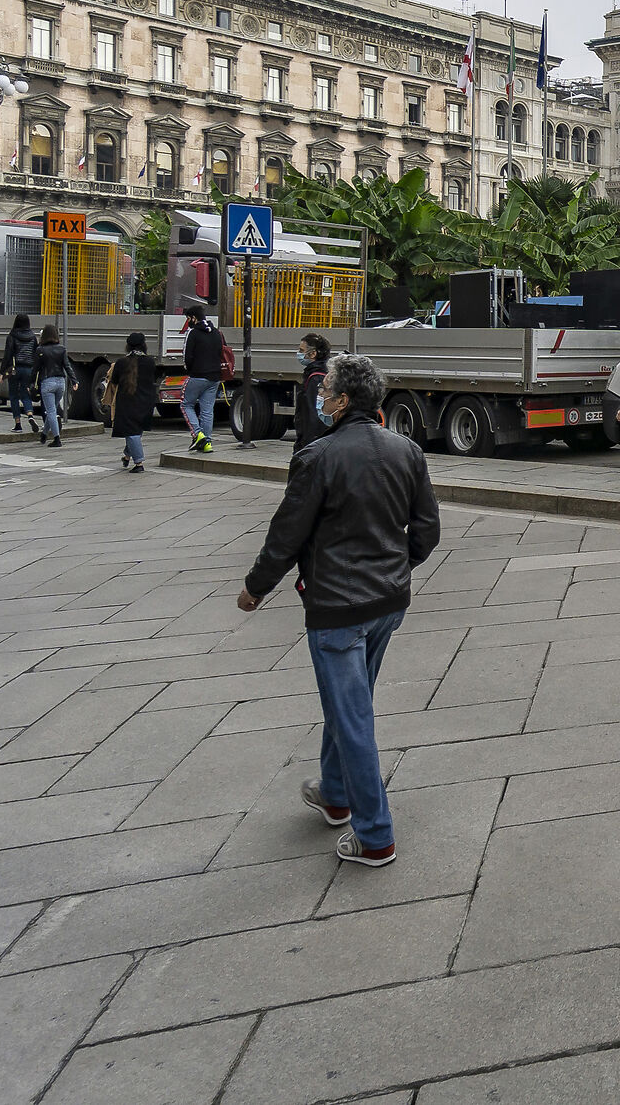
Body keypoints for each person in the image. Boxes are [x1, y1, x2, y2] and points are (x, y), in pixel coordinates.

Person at [237, 353, 441, 869]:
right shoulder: (407, 451)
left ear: (345, 400)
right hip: (388, 603)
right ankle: (335, 794)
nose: (320, 398)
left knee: (353, 718)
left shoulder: (316, 456)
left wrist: (256, 588)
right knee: (348, 701)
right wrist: (399, 565)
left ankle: (375, 836)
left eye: (325, 391)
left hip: (336, 607)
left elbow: (286, 535)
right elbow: (427, 530)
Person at [106, 331, 159, 472]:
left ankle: (139, 463)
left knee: (131, 431)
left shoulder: (122, 362)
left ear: (128, 346)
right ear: (144, 345)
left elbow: (115, 380)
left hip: (128, 400)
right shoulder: (150, 361)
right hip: (146, 400)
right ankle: (127, 456)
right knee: (136, 429)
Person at [180, 302, 224, 453]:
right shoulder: (216, 332)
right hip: (215, 377)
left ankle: (198, 435)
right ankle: (207, 443)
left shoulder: (193, 333)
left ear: (193, 318)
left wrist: (191, 370)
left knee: (186, 404)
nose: (188, 322)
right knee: (207, 410)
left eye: (188, 319)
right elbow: (221, 351)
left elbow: (187, 357)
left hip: (198, 375)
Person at [292, 334, 334, 450]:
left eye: (301, 350)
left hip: (311, 443)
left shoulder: (316, 378)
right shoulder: (320, 372)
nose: (298, 353)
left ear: (313, 353)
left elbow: (314, 415)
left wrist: (308, 445)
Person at [4, 313, 39, 435]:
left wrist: (2, 371)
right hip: (28, 369)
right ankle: (30, 415)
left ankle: (18, 424)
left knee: (13, 395)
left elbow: (8, 355)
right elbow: (36, 353)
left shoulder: (12, 336)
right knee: (26, 394)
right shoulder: (33, 337)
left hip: (15, 369)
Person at [35, 326, 70, 447]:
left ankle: (57, 438)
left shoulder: (40, 350)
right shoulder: (62, 349)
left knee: (50, 411)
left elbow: (36, 368)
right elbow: (67, 366)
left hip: (47, 382)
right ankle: (44, 434)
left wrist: (30, 383)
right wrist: (74, 380)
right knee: (52, 410)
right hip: (61, 382)